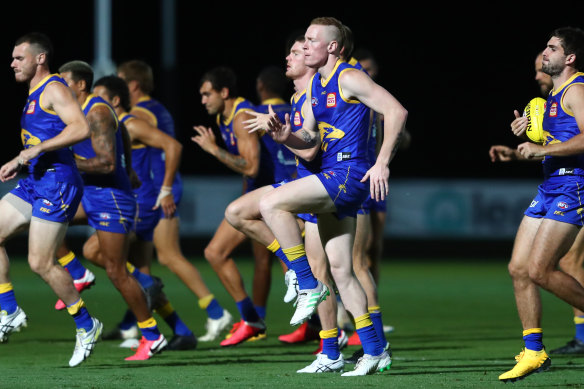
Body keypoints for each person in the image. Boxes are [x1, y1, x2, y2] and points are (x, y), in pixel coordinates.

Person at [246, 17, 407, 376]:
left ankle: (305, 283)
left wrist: (382, 163)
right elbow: (309, 144)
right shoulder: (316, 86)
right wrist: (286, 135)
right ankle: (375, 350)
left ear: (333, 47)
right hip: (335, 176)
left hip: (347, 174)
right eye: (303, 38)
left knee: (270, 203)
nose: (305, 45)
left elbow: (397, 110)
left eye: (311, 39)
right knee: (342, 271)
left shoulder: (349, 76)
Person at [226, 36, 348, 373]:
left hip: (321, 188)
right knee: (236, 212)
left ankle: (333, 349)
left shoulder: (317, 94)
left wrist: (280, 134)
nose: (290, 56)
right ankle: (297, 272)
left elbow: (315, 150)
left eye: (298, 52)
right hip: (298, 183)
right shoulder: (296, 96)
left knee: (333, 273)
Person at [0, 32, 101, 367]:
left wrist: (37, 150)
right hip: (35, 181)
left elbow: (81, 128)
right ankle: (9, 309)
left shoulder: (55, 88)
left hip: (58, 184)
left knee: (40, 263)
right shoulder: (32, 92)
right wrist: (22, 158)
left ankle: (87, 326)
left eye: (19, 58)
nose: (13, 63)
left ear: (39, 58)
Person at [56, 61, 167, 361]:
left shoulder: (97, 110)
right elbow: (126, 135)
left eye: (63, 81)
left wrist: (58, 160)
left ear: (80, 84)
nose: (59, 87)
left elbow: (106, 163)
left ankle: (152, 335)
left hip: (111, 199)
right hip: (92, 194)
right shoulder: (78, 112)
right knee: (46, 216)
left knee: (117, 272)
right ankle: (76, 272)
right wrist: (129, 167)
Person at [116, 60, 231, 342]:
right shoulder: (158, 109)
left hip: (155, 194)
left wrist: (165, 189)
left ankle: (215, 312)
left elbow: (167, 150)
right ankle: (138, 325)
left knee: (166, 255)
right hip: (156, 191)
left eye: (120, 81)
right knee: (141, 263)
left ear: (132, 85)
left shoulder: (138, 115)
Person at [498, 26, 584, 383]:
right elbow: (557, 139)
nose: (544, 53)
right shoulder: (554, 95)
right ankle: (534, 352)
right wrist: (525, 145)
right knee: (519, 268)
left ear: (570, 57)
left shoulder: (578, 89)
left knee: (541, 270)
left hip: (572, 187)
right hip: (550, 184)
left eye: (551, 48)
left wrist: (543, 149)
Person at [89, 74, 199, 351]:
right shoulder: (114, 126)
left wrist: (166, 189)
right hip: (134, 201)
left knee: (93, 251)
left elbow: (173, 146)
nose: (92, 102)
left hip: (139, 204)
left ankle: (153, 290)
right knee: (137, 272)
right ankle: (181, 331)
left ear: (115, 100)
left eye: (99, 96)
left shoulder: (130, 123)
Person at [192, 66, 269, 346]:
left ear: (224, 92)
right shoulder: (225, 118)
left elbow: (251, 167)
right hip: (260, 195)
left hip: (277, 196)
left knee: (306, 263)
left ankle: (335, 329)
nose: (203, 100)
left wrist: (213, 151)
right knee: (215, 252)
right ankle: (250, 319)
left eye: (206, 94)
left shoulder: (241, 117)